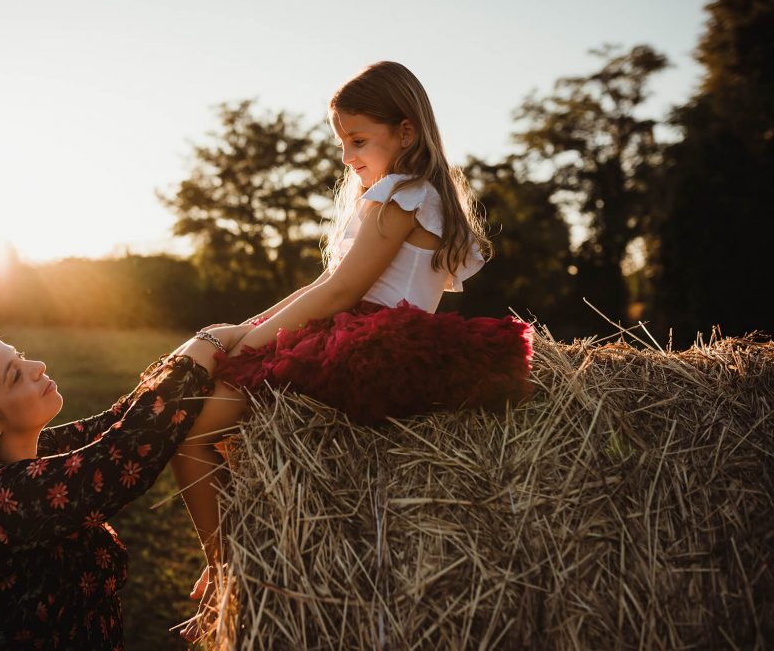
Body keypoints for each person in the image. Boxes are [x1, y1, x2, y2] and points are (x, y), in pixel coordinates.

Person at [170, 61, 536, 641]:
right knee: (209, 427)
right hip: (349, 329)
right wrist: (247, 327)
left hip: (367, 342)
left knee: (189, 431)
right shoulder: (408, 193)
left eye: (358, 141)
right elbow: (325, 288)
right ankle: (237, 564)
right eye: (343, 143)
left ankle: (226, 578)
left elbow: (341, 292)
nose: (347, 157)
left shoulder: (404, 194)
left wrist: (247, 342)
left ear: (407, 132)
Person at [0, 322, 252, 650]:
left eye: (20, 356)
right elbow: (127, 452)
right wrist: (210, 340)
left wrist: (301, 298)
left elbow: (126, 415)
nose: (36, 367)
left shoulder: (35, 451)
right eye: (14, 375)